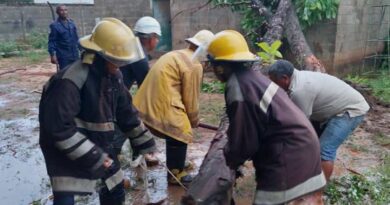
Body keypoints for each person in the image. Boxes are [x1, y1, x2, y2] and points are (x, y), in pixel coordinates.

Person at [39, 18, 156, 205]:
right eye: (116, 60)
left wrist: (145, 141)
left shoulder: (113, 76)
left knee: (114, 187)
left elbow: (127, 112)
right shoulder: (69, 81)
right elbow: (58, 128)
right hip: (64, 149)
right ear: (99, 56)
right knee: (66, 192)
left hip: (99, 143)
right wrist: (94, 156)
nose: (119, 66)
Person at [206, 30, 326, 204]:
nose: (213, 70)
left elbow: (244, 139)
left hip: (289, 154)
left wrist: (230, 157)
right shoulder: (253, 78)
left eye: (213, 64)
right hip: (302, 147)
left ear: (221, 66)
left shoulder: (237, 86)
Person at [133, 30, 214, 185]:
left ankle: (176, 162)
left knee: (175, 130)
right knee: (180, 129)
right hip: (160, 103)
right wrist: (193, 120)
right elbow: (191, 99)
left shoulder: (176, 54)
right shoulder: (194, 64)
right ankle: (175, 173)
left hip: (143, 103)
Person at [267, 60, 370, 181]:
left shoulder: (300, 90)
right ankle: (308, 175)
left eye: (274, 82)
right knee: (310, 143)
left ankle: (318, 191)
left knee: (324, 151)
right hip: (330, 108)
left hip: (350, 110)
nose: (272, 85)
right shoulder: (296, 77)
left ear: (285, 78)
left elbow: (299, 125)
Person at [120, 16, 161, 89]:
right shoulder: (140, 57)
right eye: (157, 37)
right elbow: (144, 89)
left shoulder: (130, 45)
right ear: (152, 38)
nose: (158, 41)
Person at [48, 5, 80, 70]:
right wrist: (52, 55)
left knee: (75, 74)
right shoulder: (55, 26)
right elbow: (52, 41)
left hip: (74, 54)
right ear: (57, 12)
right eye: (61, 10)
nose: (64, 12)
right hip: (63, 56)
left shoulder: (71, 23)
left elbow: (76, 38)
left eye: (65, 10)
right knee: (64, 75)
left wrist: (81, 49)